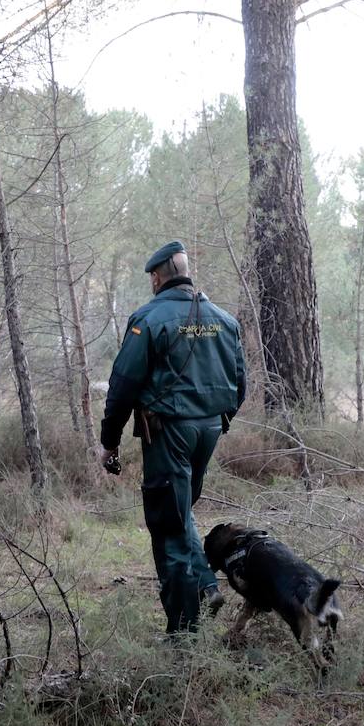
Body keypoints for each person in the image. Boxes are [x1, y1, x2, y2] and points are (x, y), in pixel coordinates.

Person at [99, 241, 246, 634]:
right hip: (209, 429)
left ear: (157, 276)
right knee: (180, 514)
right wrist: (219, 420)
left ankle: (183, 635)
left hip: (169, 434)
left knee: (168, 527)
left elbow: (123, 385)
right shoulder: (223, 320)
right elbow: (240, 383)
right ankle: (206, 584)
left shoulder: (149, 319)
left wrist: (109, 440)